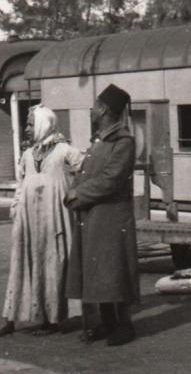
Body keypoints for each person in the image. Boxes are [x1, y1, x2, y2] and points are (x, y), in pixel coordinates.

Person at [0, 105, 84, 338]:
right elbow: (21, 185)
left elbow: (87, 171)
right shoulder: (28, 154)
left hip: (55, 220)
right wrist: (16, 207)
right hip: (28, 220)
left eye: (31, 124)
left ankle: (52, 321)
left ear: (43, 124)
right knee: (23, 264)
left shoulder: (65, 151)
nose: (27, 129)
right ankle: (9, 320)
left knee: (54, 265)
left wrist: (75, 194)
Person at [64, 84, 139, 347]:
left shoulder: (123, 142)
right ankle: (108, 324)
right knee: (99, 272)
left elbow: (111, 180)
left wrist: (78, 195)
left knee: (115, 271)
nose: (92, 110)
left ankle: (125, 326)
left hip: (112, 218)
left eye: (95, 105)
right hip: (95, 216)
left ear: (105, 109)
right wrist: (75, 190)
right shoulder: (100, 141)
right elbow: (87, 174)